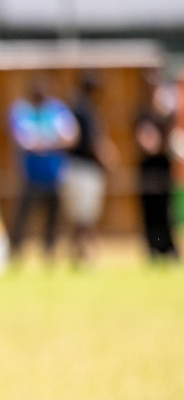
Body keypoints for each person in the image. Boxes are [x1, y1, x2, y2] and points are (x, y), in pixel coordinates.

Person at [7, 74, 77, 262]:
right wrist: (51, 142)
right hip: (31, 175)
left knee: (53, 219)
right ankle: (16, 253)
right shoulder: (22, 110)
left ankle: (49, 253)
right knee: (23, 217)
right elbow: (22, 140)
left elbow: (71, 137)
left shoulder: (57, 110)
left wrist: (43, 144)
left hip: (54, 174)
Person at [61, 74, 116, 265]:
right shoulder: (85, 111)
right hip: (85, 168)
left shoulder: (75, 108)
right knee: (86, 215)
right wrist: (107, 160)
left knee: (80, 215)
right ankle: (88, 254)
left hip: (76, 167)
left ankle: (79, 253)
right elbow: (93, 141)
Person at [136, 77, 180, 261]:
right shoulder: (142, 114)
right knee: (149, 211)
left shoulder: (168, 117)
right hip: (148, 168)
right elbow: (145, 142)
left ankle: (167, 247)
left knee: (165, 210)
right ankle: (153, 247)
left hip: (163, 166)